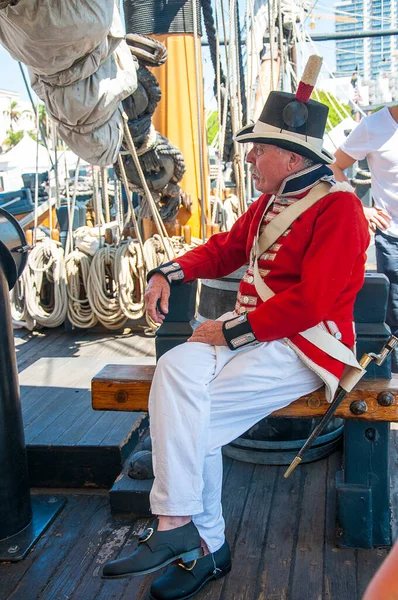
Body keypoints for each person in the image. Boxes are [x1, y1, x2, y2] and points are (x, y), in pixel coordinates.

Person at [102, 58, 369, 600]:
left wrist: (230, 333)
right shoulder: (275, 200)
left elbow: (315, 300)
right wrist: (167, 271)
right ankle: (185, 534)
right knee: (176, 370)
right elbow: (226, 248)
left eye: (259, 149)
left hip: (306, 347)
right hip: (253, 332)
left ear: (291, 158)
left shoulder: (340, 211)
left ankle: (202, 545)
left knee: (188, 428)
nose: (249, 157)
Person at [331, 105, 398, 371]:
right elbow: (334, 166)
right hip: (394, 241)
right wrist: (360, 208)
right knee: (395, 325)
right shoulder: (374, 126)